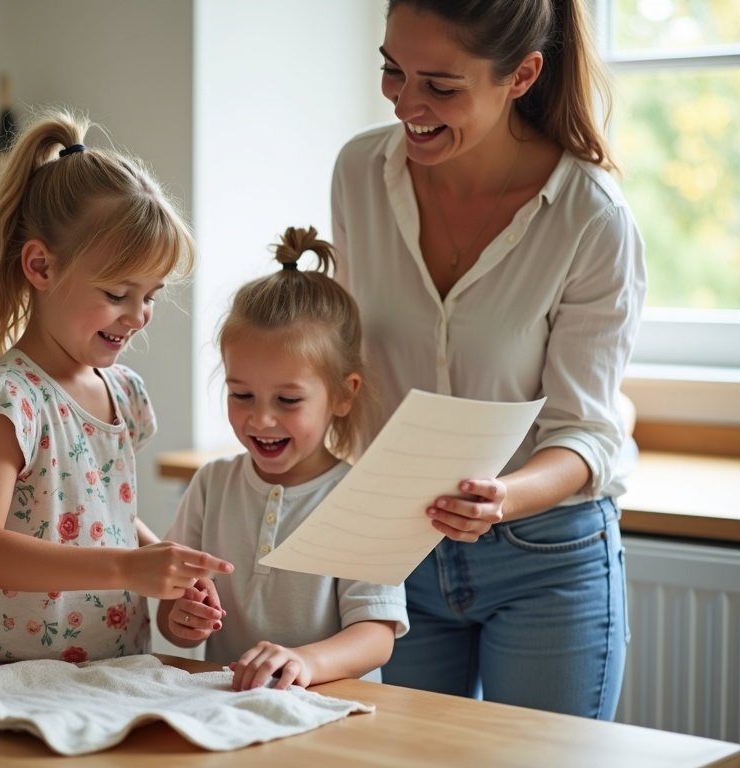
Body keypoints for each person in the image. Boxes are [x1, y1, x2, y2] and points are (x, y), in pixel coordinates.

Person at [330, 0, 646, 719]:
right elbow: (346, 360)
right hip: (394, 551)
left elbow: (587, 434)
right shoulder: (358, 172)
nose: (408, 104)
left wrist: (501, 498)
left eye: (440, 86)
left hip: (544, 560)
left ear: (523, 75)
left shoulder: (590, 216)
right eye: (392, 70)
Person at [0, 107, 233, 664]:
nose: (140, 315)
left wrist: (165, 569)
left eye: (150, 296)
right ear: (41, 267)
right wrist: (127, 566)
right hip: (14, 680)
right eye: (118, 293)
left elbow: (101, 511)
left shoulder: (122, 392)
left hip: (113, 670)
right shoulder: (11, 401)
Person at [156, 226, 409, 691]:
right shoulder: (212, 485)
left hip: (334, 713)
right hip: (233, 709)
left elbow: (376, 636)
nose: (261, 420)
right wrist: (182, 618)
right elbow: (171, 612)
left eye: (288, 401)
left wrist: (303, 663)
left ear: (342, 395)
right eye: (242, 394)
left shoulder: (364, 499)